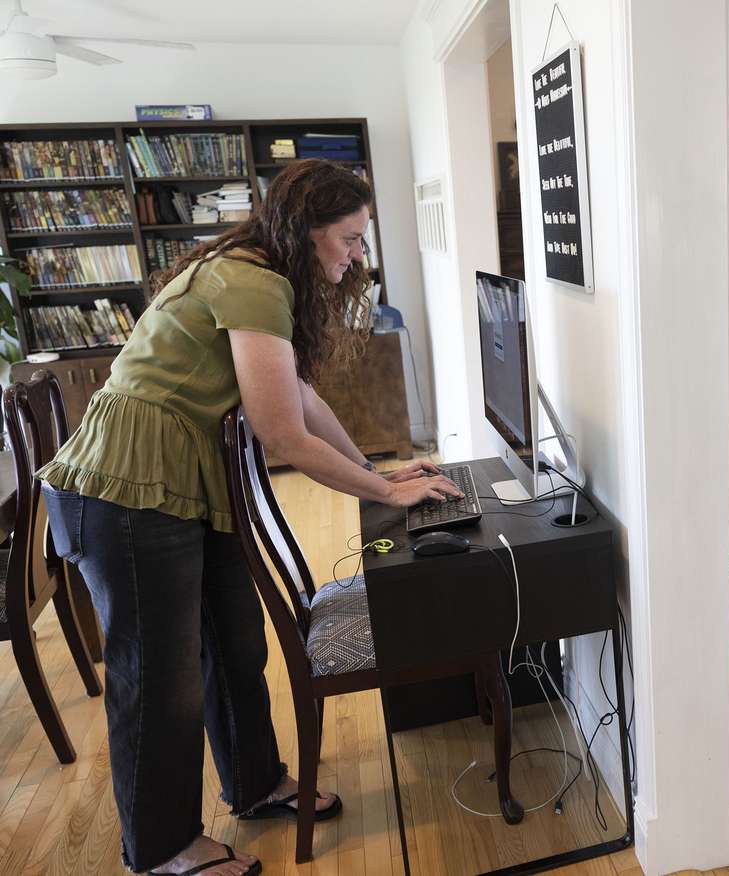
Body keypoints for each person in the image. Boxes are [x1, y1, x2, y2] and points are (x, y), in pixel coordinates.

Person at [38, 159, 464, 876]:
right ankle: (163, 849)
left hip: (178, 483)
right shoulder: (253, 279)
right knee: (158, 680)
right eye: (352, 238)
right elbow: (283, 434)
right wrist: (382, 494)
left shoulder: (262, 277)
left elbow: (300, 396)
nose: (359, 254)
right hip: (125, 490)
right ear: (308, 232)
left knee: (235, 640)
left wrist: (375, 473)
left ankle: (257, 783)